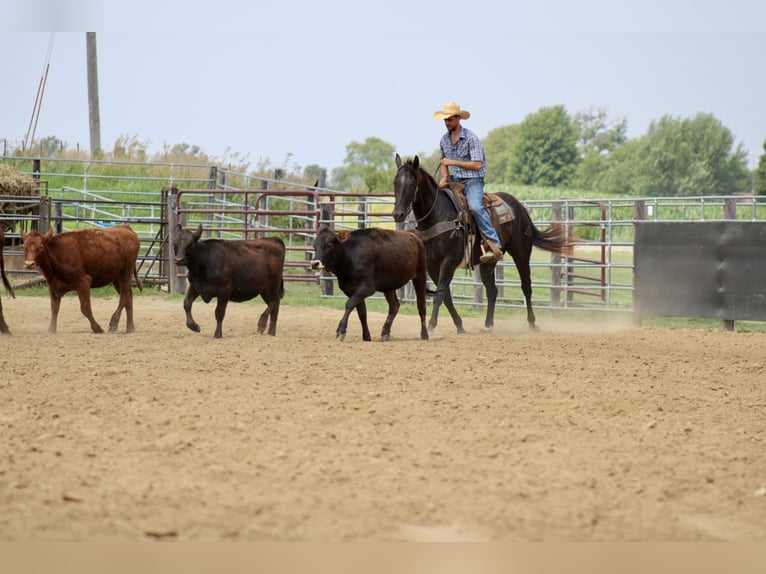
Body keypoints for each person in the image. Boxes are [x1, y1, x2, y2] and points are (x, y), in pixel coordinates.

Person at [433, 102, 503, 264]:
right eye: (445, 120)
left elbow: (477, 165)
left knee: (475, 207)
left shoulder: (471, 138)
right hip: (454, 181)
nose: (447, 123)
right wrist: (444, 177)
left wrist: (453, 162)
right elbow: (443, 162)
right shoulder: (444, 140)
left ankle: (494, 243)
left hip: (473, 180)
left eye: (450, 120)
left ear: (458, 118)